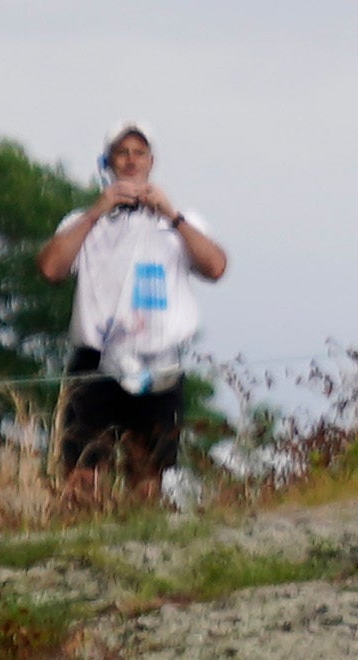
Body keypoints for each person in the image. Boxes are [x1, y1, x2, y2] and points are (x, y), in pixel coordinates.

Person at [40, 128, 224, 490]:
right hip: (96, 358)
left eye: (139, 152)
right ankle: (81, 539)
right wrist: (96, 212)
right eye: (121, 152)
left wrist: (172, 215)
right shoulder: (83, 222)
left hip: (158, 359)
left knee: (148, 472)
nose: (130, 160)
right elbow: (51, 268)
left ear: (151, 162)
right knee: (83, 471)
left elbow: (215, 267)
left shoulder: (180, 221)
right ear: (108, 162)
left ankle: (140, 542)